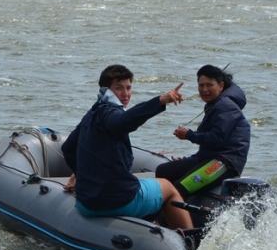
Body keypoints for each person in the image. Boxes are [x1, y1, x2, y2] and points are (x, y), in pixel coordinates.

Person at [61, 64, 194, 230]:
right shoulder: (111, 113)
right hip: (115, 200)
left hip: (86, 202)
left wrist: (80, 176)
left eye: (128, 88)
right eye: (119, 88)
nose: (125, 94)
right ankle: (189, 240)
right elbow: (122, 122)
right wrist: (160, 101)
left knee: (141, 183)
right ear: (107, 90)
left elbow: (68, 148)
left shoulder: (93, 113)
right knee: (168, 187)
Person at [155, 64, 250, 196]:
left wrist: (188, 135)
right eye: (201, 85)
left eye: (209, 85)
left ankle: (162, 217)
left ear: (221, 86)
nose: (204, 89)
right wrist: (188, 159)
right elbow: (210, 148)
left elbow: (217, 139)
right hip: (212, 157)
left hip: (226, 163)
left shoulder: (226, 106)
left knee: (178, 189)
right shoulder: (216, 104)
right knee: (163, 170)